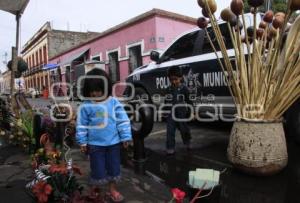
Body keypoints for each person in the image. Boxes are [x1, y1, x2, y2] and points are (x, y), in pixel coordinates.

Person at [76, 68, 132, 202]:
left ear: (106, 87)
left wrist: (125, 137)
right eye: (92, 90)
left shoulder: (113, 103)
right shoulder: (86, 106)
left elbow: (123, 120)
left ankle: (112, 190)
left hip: (113, 144)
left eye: (98, 90)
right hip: (95, 146)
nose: (95, 93)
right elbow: (81, 125)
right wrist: (82, 142)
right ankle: (97, 191)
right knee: (98, 170)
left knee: (114, 169)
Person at [165, 66, 193, 155]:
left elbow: (189, 101)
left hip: (182, 113)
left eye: (175, 79)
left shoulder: (184, 88)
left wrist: (192, 112)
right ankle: (170, 148)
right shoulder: (168, 89)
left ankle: (187, 142)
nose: (173, 81)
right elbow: (166, 102)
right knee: (170, 131)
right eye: (171, 79)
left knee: (184, 129)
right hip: (171, 114)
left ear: (180, 77)